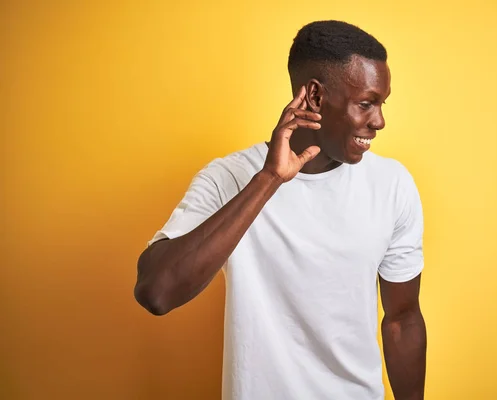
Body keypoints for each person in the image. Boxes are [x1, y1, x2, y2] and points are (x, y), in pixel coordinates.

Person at [134, 20, 426, 400]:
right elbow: (157, 292)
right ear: (316, 97)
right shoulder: (230, 177)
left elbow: (402, 321)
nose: (380, 121)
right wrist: (269, 179)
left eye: (382, 103)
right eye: (366, 103)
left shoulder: (392, 185)